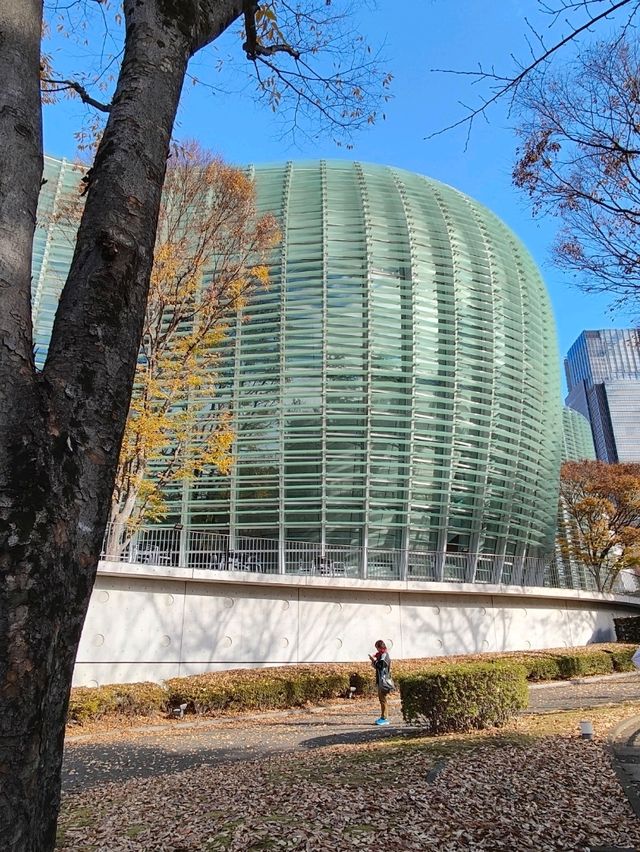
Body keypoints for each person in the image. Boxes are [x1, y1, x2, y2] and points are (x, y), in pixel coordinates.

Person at [369, 639, 392, 726]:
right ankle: (383, 716)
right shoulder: (381, 655)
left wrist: (373, 660)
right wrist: (374, 662)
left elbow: (380, 665)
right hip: (380, 680)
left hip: (384, 680)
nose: (377, 650)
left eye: (377, 648)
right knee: (382, 699)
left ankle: (384, 718)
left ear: (380, 647)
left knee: (383, 699)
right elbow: (378, 666)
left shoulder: (385, 655)